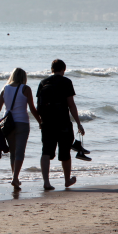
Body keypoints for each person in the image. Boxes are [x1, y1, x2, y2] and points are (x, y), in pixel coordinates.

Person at [0, 68, 42, 190]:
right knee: (20, 152)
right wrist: (40, 122)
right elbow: (32, 108)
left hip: (8, 124)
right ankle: (15, 178)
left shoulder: (5, 88)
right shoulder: (26, 89)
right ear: (23, 77)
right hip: (22, 123)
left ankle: (15, 178)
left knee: (13, 152)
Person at [36, 59, 85, 191]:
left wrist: (41, 121)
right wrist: (79, 123)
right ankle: (67, 180)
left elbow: (38, 107)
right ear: (63, 69)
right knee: (65, 152)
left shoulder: (43, 82)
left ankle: (46, 182)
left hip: (47, 123)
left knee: (46, 151)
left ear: (52, 69)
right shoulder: (66, 82)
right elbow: (71, 104)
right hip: (63, 122)